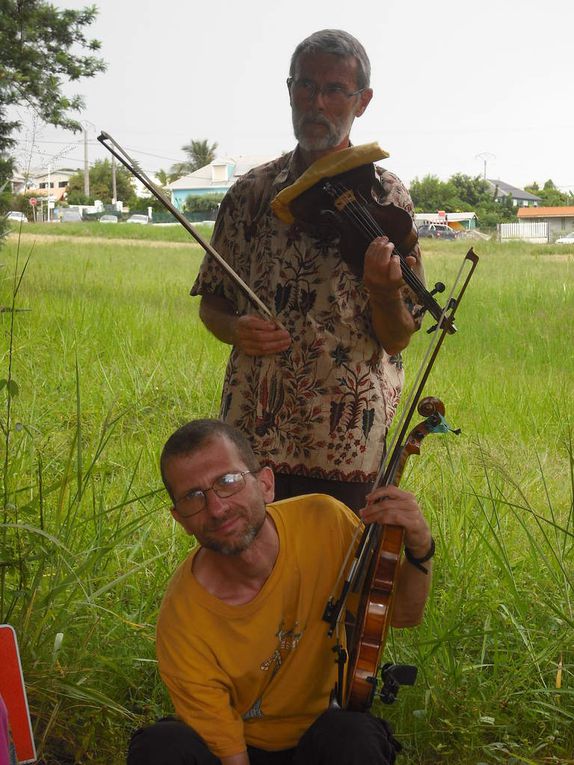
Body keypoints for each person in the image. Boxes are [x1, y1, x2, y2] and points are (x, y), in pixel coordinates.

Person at [190, 29, 425, 513]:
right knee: (256, 572)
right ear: (290, 91)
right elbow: (212, 303)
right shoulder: (251, 193)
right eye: (304, 86)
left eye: (335, 90)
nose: (316, 102)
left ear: (362, 102)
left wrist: (383, 293)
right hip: (255, 431)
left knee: (336, 572)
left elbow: (398, 337)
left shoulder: (388, 199)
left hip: (348, 436)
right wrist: (236, 328)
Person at [127, 419, 434, 765]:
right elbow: (232, 756)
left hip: (323, 735)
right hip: (240, 749)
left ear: (266, 484)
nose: (217, 508)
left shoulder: (325, 522)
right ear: (180, 519)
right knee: (161, 747)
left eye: (227, 482)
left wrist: (420, 545)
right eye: (193, 497)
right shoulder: (182, 617)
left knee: (354, 738)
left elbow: (405, 616)